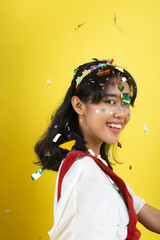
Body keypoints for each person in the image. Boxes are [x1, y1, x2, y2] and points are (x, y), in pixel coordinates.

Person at [34, 58, 160, 240]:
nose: (121, 113)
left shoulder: (98, 169)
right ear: (79, 105)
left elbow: (153, 217)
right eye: (109, 101)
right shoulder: (85, 170)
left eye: (125, 103)